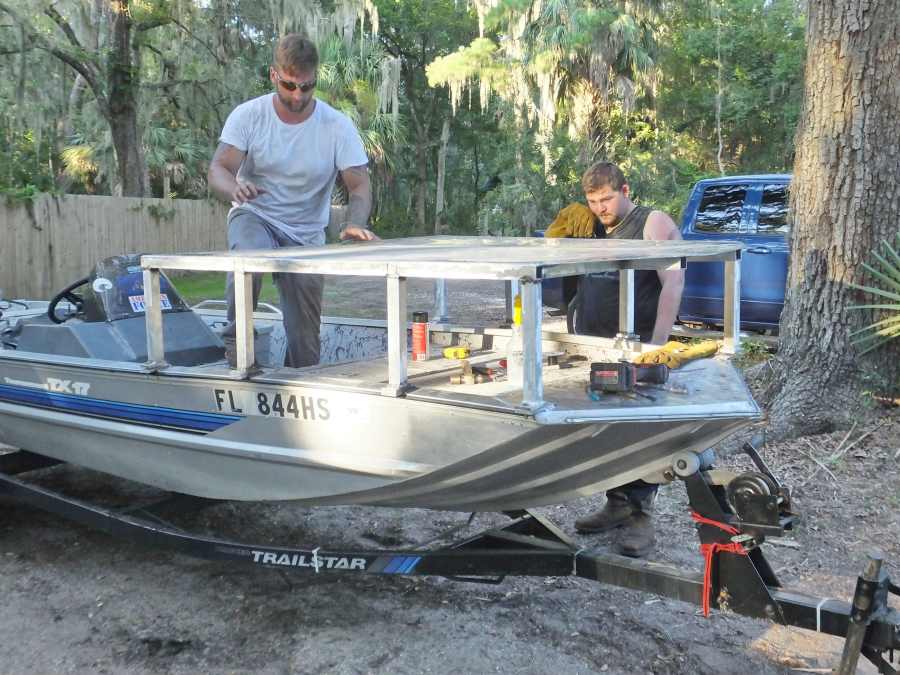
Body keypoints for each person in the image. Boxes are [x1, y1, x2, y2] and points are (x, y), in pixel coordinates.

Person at [207, 34, 378, 369]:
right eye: (289, 86)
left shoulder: (336, 126)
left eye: (307, 87)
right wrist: (234, 189)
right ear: (274, 75)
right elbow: (218, 168)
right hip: (256, 213)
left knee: (305, 341)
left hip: (306, 232)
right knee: (250, 257)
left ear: (315, 79)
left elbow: (359, 186)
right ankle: (238, 348)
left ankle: (299, 382)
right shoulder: (249, 116)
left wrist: (356, 222)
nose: (297, 95)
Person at [554, 161, 685, 558]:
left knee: (640, 430)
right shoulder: (588, 224)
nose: (601, 208)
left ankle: (641, 518)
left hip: (638, 344)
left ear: (625, 189)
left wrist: (657, 346)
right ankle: (615, 504)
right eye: (593, 201)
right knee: (604, 427)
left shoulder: (652, 222)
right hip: (594, 345)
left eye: (607, 198)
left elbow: (674, 281)